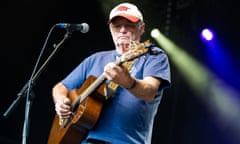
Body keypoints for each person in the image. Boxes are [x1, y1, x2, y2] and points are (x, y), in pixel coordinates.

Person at [52, 2, 171, 144]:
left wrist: (129, 82)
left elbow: (150, 91)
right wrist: (61, 101)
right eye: (117, 26)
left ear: (142, 28)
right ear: (110, 28)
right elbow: (60, 87)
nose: (122, 30)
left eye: (129, 25)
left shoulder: (153, 55)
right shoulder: (95, 59)